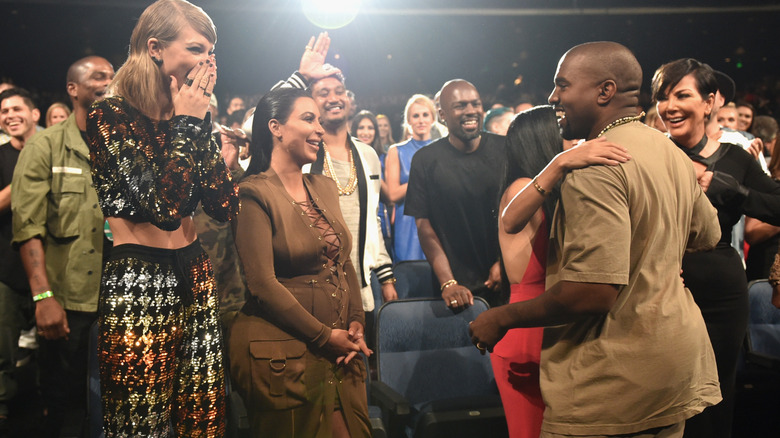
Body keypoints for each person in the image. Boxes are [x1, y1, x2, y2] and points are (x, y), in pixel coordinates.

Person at [471, 42, 722, 438]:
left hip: (613, 380)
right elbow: (708, 233)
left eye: (562, 85)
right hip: (673, 364)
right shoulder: (669, 150)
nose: (553, 97)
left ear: (605, 91)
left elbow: (591, 293)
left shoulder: (596, 165)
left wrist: (501, 318)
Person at [86, 1, 239, 435]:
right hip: (138, 279)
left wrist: (198, 125)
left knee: (204, 421)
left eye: (211, 52)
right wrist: (188, 124)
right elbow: (165, 209)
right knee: (140, 426)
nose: (207, 63)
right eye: (195, 49)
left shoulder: (190, 117)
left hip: (195, 271)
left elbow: (225, 207)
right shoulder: (109, 115)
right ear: (155, 48)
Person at [229, 87, 371, 438]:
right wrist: (324, 337)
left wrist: (356, 320)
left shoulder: (324, 186)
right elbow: (262, 285)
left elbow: (343, 262)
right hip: (284, 355)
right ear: (275, 127)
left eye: (319, 120)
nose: (320, 129)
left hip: (339, 351)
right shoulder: (252, 193)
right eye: (308, 119)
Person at [652, 57, 780, 438]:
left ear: (709, 102)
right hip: (661, 290)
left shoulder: (736, 158)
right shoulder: (650, 155)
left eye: (681, 95)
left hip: (722, 295)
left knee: (716, 400)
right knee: (664, 397)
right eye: (662, 97)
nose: (670, 106)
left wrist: (725, 186)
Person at [493, 105, 630, 438]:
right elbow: (511, 219)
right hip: (529, 329)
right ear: (544, 141)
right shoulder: (522, 187)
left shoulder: (558, 190)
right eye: (562, 132)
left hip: (553, 322)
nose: (574, 139)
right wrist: (560, 163)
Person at [11, 56, 113, 436]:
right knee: (65, 409)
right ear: (73, 89)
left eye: (112, 76)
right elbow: (27, 228)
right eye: (98, 76)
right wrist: (43, 298)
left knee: (111, 408)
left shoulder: (122, 148)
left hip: (115, 301)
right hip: (68, 303)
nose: (108, 83)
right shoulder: (46, 146)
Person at [405, 79, 504, 307]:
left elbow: (524, 214)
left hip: (504, 280)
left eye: (475, 104)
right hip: (455, 289)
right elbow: (424, 226)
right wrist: (448, 282)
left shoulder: (506, 148)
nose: (470, 111)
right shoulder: (425, 160)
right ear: (442, 114)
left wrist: (505, 262)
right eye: (460, 106)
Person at [0, 88, 40, 428]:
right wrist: (23, 181)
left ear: (34, 114)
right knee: (3, 348)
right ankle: (2, 405)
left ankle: (50, 406)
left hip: (49, 267)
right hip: (6, 268)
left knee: (53, 347)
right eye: (4, 111)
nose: (10, 115)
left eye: (17, 109)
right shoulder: (1, 156)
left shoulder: (51, 151)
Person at [385, 94, 436, 262]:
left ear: (433, 119)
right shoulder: (396, 151)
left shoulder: (442, 149)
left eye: (425, 115)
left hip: (437, 222)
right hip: (407, 225)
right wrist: (422, 179)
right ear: (408, 120)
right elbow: (393, 194)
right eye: (416, 116)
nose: (421, 120)